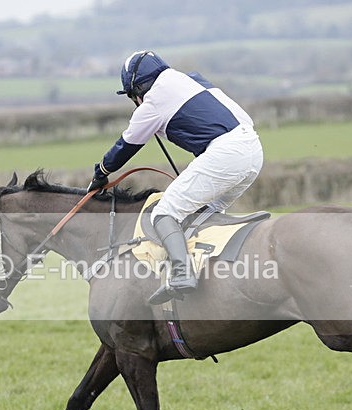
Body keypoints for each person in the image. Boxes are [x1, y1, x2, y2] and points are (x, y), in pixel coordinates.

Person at [87, 50, 263, 305]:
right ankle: (212, 272)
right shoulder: (192, 79)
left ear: (138, 89)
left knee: (164, 213)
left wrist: (101, 172)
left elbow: (126, 144)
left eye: (132, 96)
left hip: (226, 154)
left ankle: (182, 275)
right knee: (206, 212)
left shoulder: (153, 102)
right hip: (253, 150)